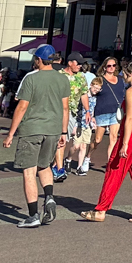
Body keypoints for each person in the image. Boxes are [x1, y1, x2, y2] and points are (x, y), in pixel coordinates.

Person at [2, 43, 70, 229]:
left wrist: (10, 134)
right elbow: (65, 108)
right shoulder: (63, 79)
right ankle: (48, 196)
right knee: (45, 166)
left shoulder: (31, 78)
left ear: (39, 60)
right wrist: (64, 132)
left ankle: (33, 215)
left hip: (32, 128)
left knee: (29, 171)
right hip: (54, 129)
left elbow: (22, 106)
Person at [80, 61, 132, 223]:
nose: (122, 76)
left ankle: (101, 210)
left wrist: (125, 143)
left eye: (124, 74)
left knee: (114, 170)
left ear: (131, 74)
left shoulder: (131, 91)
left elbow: (129, 118)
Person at [53, 52, 91, 181]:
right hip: (56, 111)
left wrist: (87, 111)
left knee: (63, 139)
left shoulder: (81, 77)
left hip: (71, 113)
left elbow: (84, 94)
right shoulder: (59, 75)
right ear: (70, 63)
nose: (80, 66)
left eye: (81, 64)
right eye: (78, 63)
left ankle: (56, 167)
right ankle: (58, 167)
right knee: (57, 139)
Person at [88, 56, 125, 164]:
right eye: (109, 66)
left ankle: (110, 162)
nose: (112, 67)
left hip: (116, 112)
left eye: (114, 65)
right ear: (104, 67)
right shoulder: (100, 80)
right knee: (97, 140)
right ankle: (88, 156)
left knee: (113, 138)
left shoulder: (120, 80)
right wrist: (92, 114)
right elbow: (92, 95)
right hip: (102, 112)